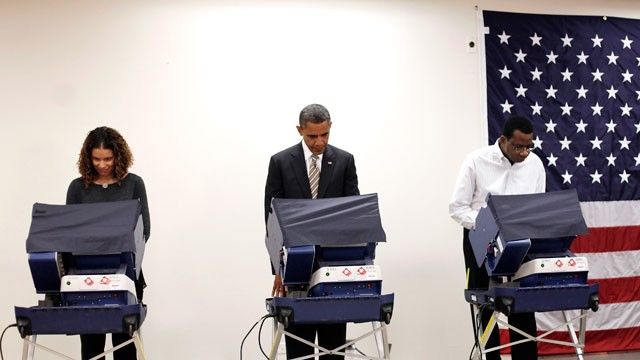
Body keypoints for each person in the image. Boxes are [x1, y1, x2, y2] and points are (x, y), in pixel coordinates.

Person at [264, 104, 359, 359]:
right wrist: (277, 269)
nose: (319, 142)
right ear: (300, 131)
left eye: (325, 135)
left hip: (334, 266)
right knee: (299, 348)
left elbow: (353, 215)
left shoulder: (344, 161)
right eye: (312, 136)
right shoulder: (281, 163)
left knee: (333, 348)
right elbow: (271, 221)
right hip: (295, 264)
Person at [449, 115, 545, 360]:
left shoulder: (535, 164)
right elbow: (457, 207)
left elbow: (537, 206)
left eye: (528, 146)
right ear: (503, 140)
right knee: (484, 304)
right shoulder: (476, 160)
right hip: (480, 239)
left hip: (520, 240)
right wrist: (488, 226)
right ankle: (488, 356)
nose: (524, 152)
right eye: (518, 146)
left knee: (522, 302)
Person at [66, 126, 150, 360]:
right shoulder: (77, 188)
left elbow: (145, 231)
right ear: (88, 157)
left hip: (127, 278)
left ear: (118, 156)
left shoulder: (134, 184)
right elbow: (69, 234)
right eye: (96, 159)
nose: (102, 164)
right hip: (86, 280)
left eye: (108, 159)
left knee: (125, 347)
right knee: (92, 350)